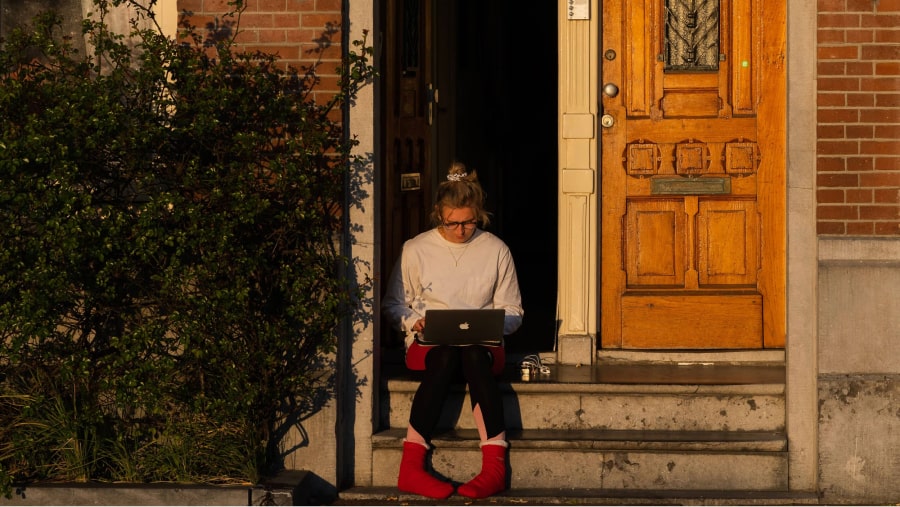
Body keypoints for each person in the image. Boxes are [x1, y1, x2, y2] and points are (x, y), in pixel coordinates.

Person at [383, 162, 524, 500]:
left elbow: (514, 310)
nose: (461, 230)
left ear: (480, 214)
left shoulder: (496, 250)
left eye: (469, 222)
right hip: (430, 347)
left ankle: (494, 467)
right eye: (453, 223)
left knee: (473, 355)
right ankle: (411, 467)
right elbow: (393, 305)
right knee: (446, 356)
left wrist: (493, 324)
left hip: (482, 346)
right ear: (438, 215)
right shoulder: (416, 249)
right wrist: (413, 322)